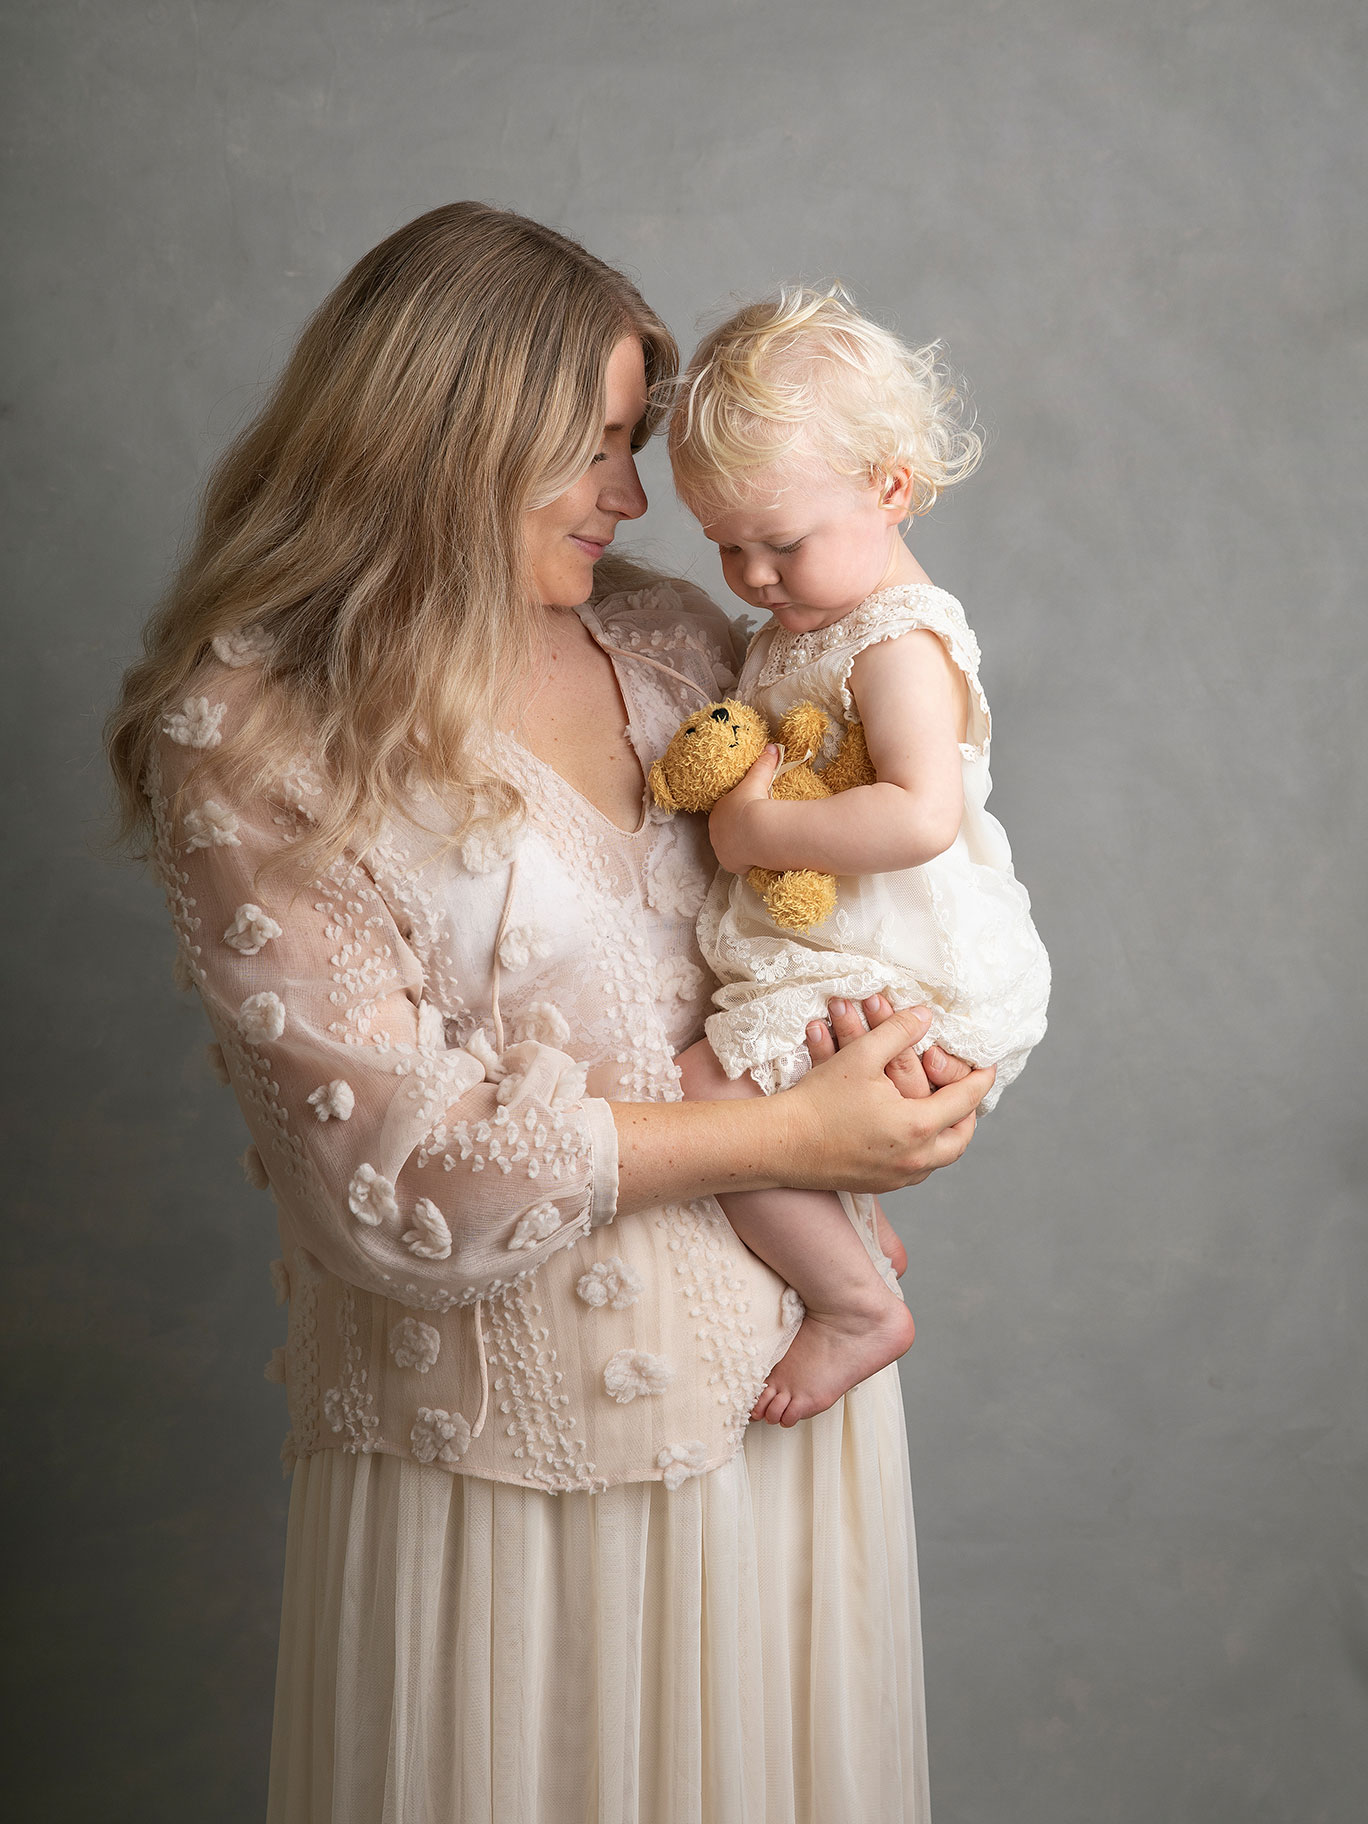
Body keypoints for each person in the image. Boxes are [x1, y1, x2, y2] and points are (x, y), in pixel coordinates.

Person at [106, 203, 994, 1823]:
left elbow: (813, 925)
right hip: (491, 1485)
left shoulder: (675, 642)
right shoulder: (250, 727)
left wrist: (890, 1073)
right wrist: (789, 1128)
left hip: (780, 1421)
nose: (631, 494)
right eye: (589, 446)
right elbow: (388, 1177)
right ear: (451, 435)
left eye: (632, 442)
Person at [665, 288, 1052, 1429]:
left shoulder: (899, 639)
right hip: (841, 939)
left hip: (899, 956)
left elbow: (921, 814)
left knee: (704, 1093)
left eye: (780, 543)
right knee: (739, 1090)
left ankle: (855, 1306)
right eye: (724, 546)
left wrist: (755, 833)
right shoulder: (810, 620)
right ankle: (855, 1236)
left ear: (890, 487)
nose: (751, 577)